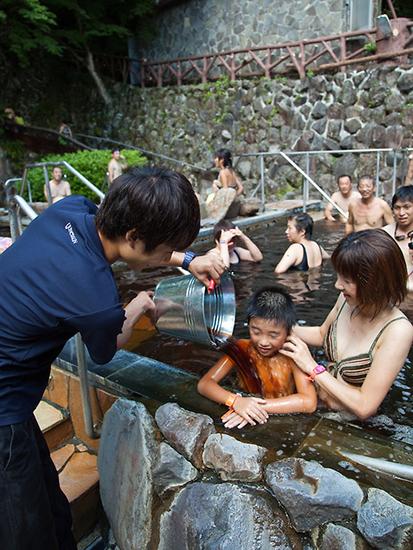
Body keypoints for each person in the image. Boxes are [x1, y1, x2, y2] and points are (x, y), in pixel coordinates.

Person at [0, 166, 225, 548]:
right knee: (26, 533)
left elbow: (122, 239)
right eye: (159, 251)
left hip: (15, 403)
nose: (159, 260)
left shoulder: (68, 210)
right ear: (134, 237)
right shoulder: (97, 300)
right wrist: (137, 306)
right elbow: (106, 350)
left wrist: (188, 259)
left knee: (52, 509)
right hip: (4, 409)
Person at [280, 230, 413, 420]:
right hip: (317, 403)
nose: (337, 285)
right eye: (338, 276)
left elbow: (366, 406)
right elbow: (321, 333)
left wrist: (312, 367)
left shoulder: (398, 330)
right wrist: (280, 328)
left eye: (347, 280)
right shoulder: (346, 300)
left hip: (352, 425)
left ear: (374, 283)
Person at [197, 286, 317, 429]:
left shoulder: (293, 355)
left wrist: (254, 407)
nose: (263, 342)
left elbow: (309, 402)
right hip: (245, 402)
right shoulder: (241, 348)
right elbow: (204, 384)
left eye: (273, 335)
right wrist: (236, 401)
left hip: (278, 416)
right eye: (256, 331)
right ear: (249, 325)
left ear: (288, 332)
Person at [383, 185, 413, 291]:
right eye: (397, 208)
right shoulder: (384, 233)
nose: (401, 213)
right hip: (391, 293)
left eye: (406, 207)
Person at [205, 149, 244, 220]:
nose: (215, 160)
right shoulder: (231, 171)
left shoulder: (223, 172)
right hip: (234, 206)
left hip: (226, 210)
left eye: (216, 158)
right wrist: (234, 197)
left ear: (222, 160)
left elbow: (225, 191)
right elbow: (241, 188)